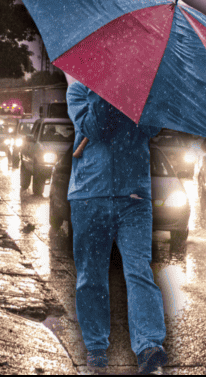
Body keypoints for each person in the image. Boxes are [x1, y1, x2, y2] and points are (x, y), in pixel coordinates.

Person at [66, 81, 168, 375]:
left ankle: (149, 344)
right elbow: (94, 129)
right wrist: (104, 91)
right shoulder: (78, 92)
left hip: (133, 196)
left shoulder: (142, 89)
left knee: (139, 269)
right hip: (89, 195)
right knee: (91, 275)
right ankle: (96, 348)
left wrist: (135, 98)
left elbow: (152, 128)